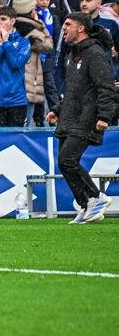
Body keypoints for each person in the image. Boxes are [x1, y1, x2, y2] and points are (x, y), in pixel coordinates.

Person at [48, 13, 117, 224]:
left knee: (67, 160)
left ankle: (96, 197)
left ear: (81, 29)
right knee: (65, 163)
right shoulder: (72, 55)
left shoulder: (94, 54)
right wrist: (58, 110)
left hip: (88, 116)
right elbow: (74, 90)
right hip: (70, 116)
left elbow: (105, 87)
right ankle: (87, 205)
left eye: (68, 24)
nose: (64, 28)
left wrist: (105, 116)